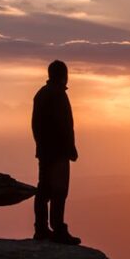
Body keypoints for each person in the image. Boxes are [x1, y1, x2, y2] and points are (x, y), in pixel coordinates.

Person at [32, 60, 80, 244]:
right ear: (63, 75)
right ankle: (58, 229)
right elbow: (64, 125)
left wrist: (40, 146)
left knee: (43, 190)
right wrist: (70, 149)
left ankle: (41, 229)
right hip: (58, 152)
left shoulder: (41, 94)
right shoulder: (58, 95)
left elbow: (35, 125)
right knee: (59, 191)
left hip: (44, 151)